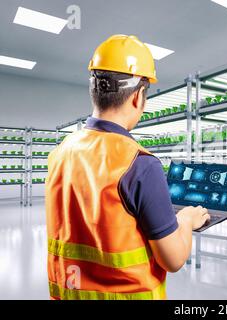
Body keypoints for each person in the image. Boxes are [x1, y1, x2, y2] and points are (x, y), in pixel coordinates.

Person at [45, 34, 210, 300]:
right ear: (138, 97)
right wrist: (186, 221)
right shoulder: (140, 164)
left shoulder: (62, 151)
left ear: (94, 91)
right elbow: (174, 259)